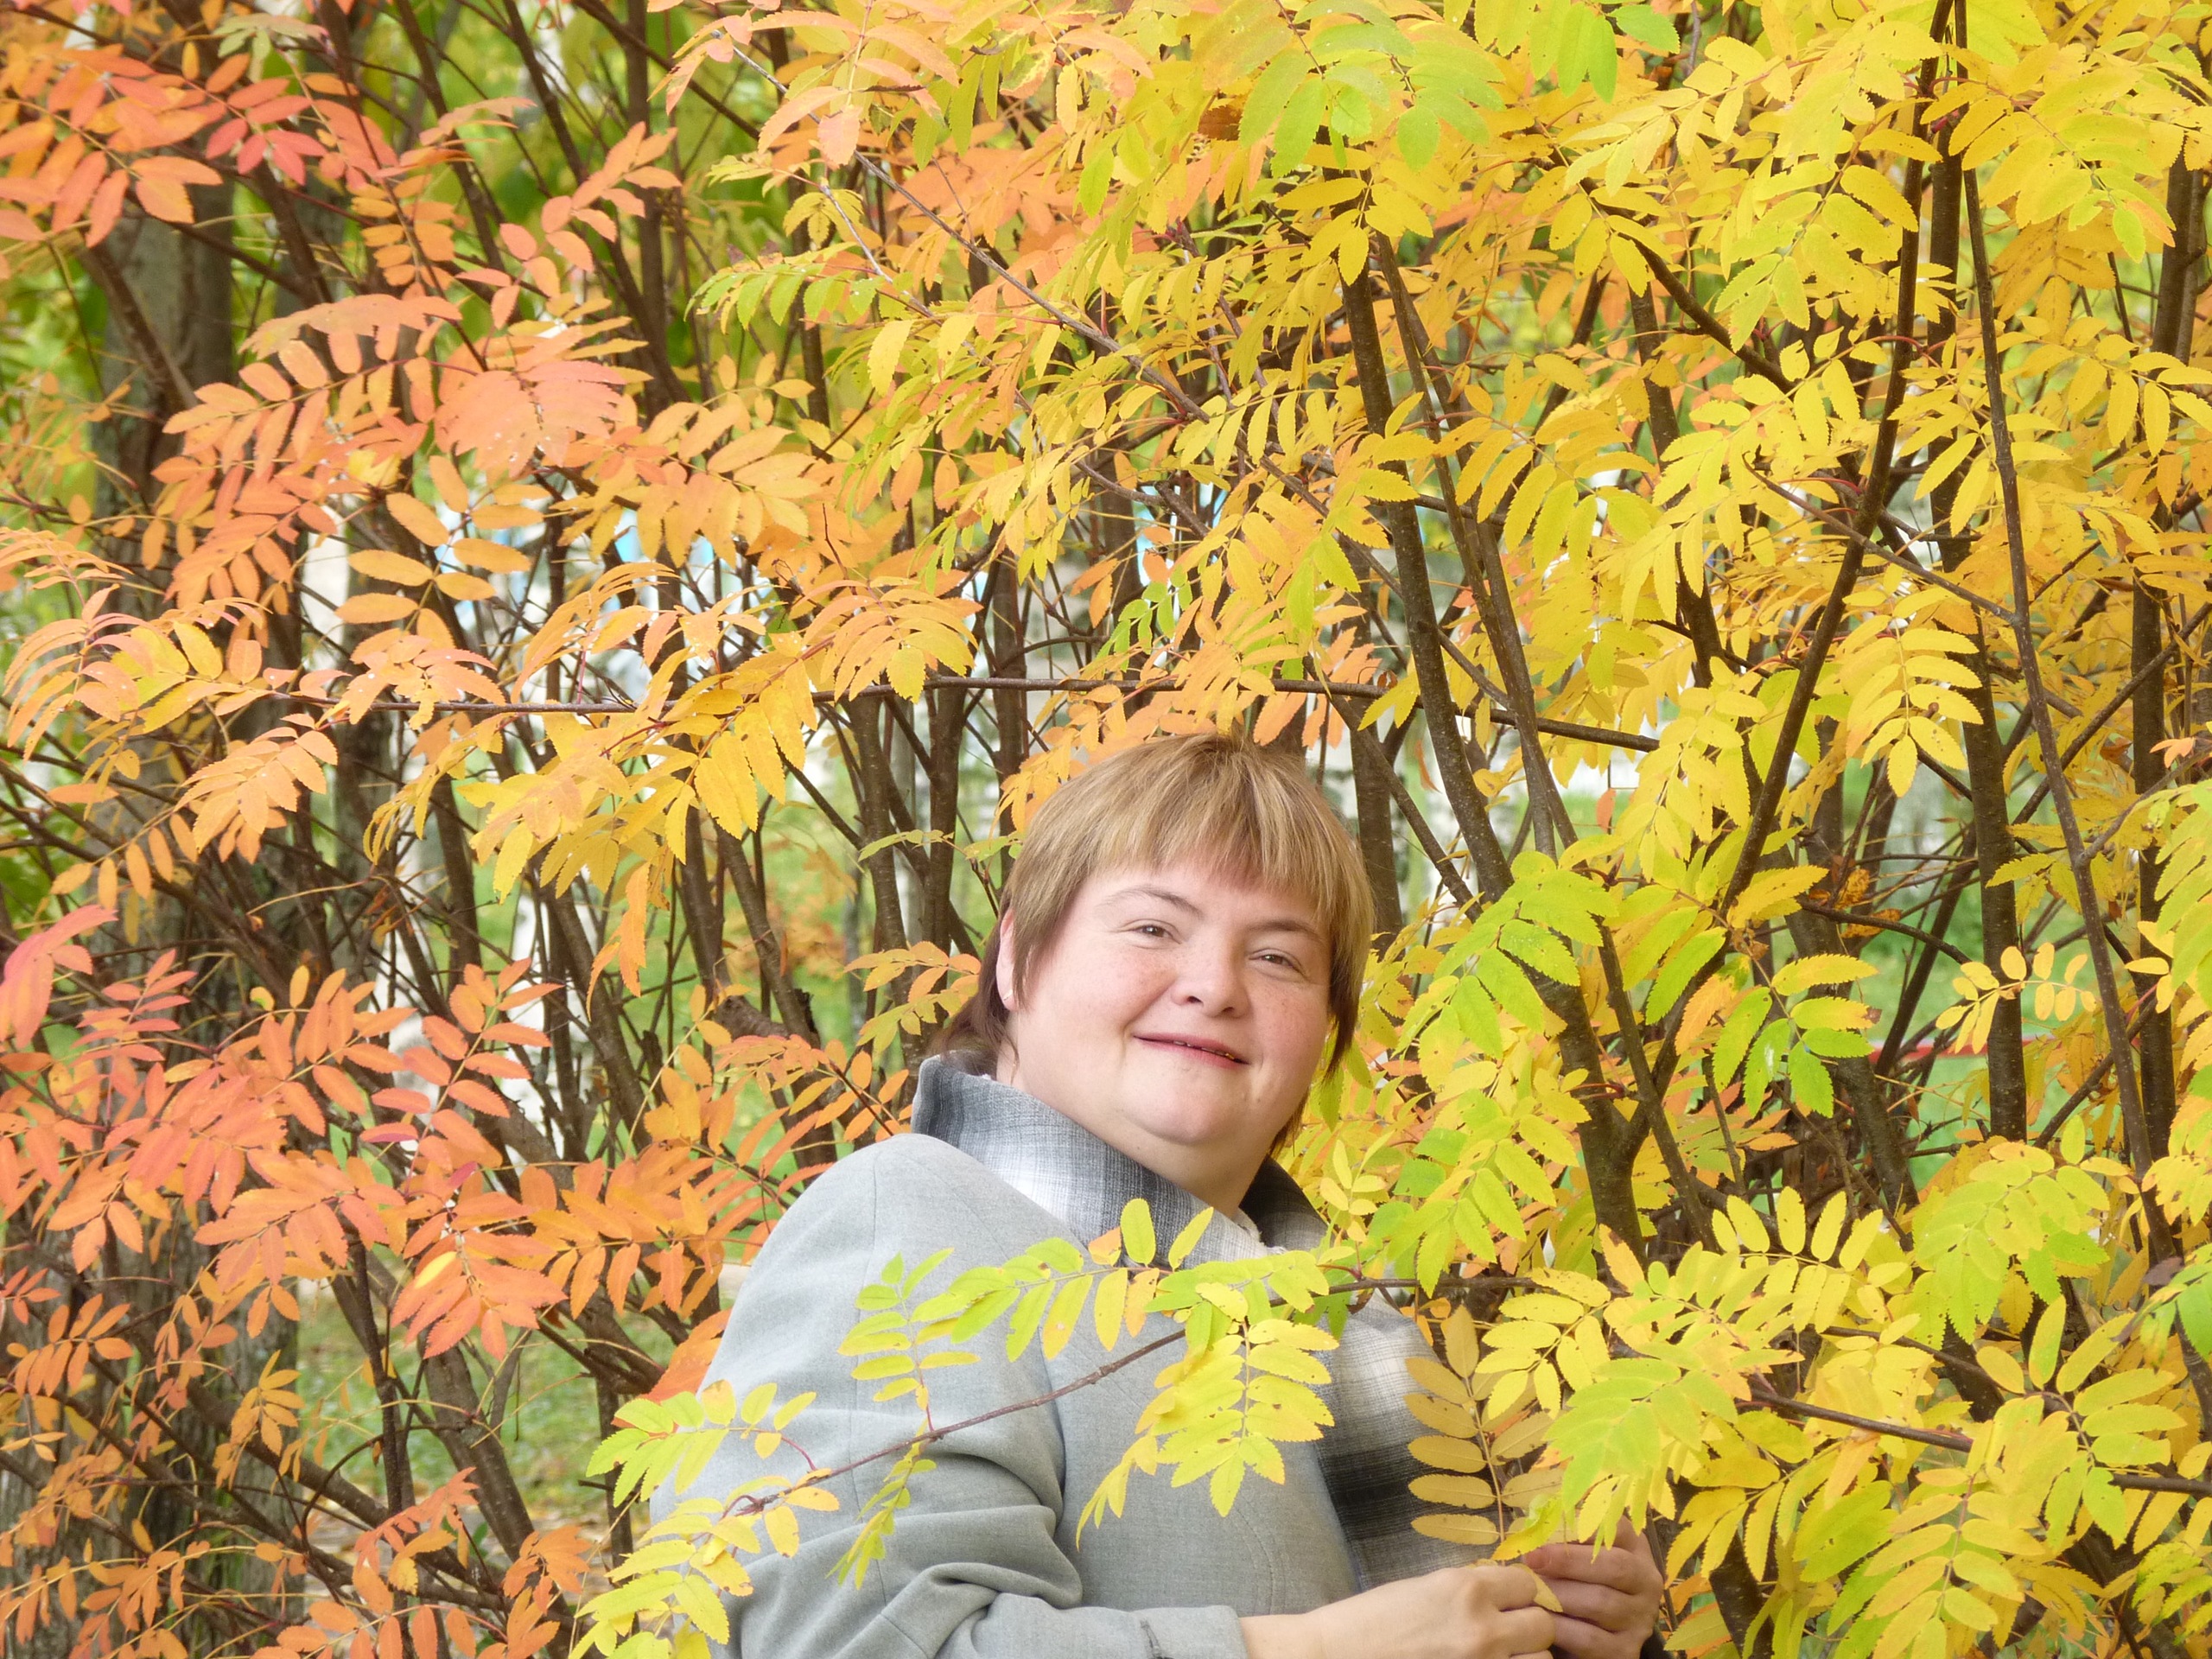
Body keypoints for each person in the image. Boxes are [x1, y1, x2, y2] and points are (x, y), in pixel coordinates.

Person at [658, 733, 1666, 1659]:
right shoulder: (907, 1221)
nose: (1214, 985)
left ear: (1325, 1031)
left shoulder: (1340, 1317)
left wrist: (1570, 1628)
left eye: (1277, 957)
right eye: (1152, 927)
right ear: (1015, 961)